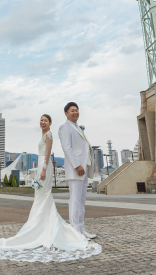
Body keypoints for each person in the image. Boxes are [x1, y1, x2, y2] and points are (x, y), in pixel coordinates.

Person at [0, 114, 101, 263]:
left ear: (50, 123)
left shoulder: (49, 134)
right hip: (41, 165)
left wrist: (43, 169)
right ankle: (39, 223)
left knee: (44, 194)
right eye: (41, 120)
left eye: (45, 120)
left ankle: (44, 226)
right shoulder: (43, 134)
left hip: (44, 166)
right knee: (40, 196)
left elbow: (48, 153)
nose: (42, 122)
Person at [57, 102, 96, 239]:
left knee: (81, 200)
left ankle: (81, 228)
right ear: (66, 113)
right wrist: (77, 165)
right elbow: (67, 148)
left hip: (84, 168)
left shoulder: (78, 127)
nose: (75, 112)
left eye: (77, 110)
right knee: (75, 199)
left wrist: (84, 165)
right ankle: (74, 232)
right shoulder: (65, 127)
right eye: (72, 110)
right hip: (76, 169)